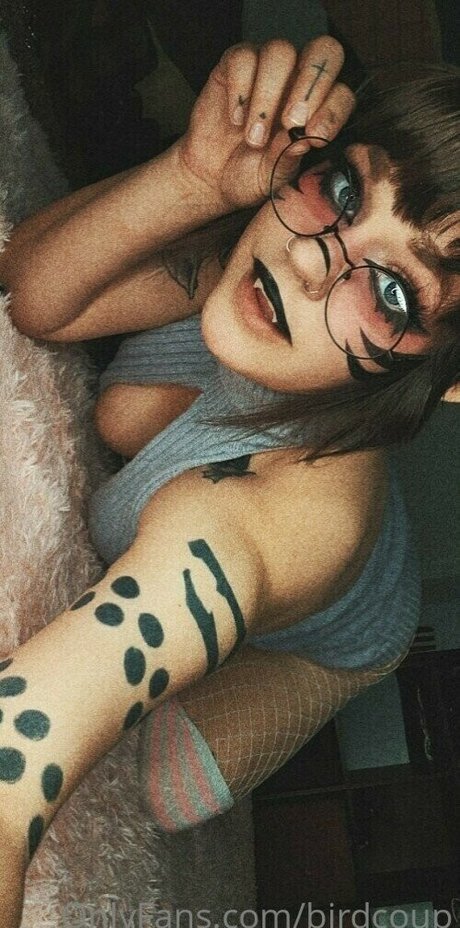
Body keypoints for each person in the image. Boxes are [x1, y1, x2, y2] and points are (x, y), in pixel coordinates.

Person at [0, 36, 458, 925]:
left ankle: (325, 652)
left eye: (394, 294)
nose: (312, 260)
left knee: (169, 786)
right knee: (119, 417)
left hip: (353, 628)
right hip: (300, 392)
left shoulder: (293, 523)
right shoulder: (256, 275)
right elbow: (31, 296)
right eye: (344, 191)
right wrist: (193, 178)